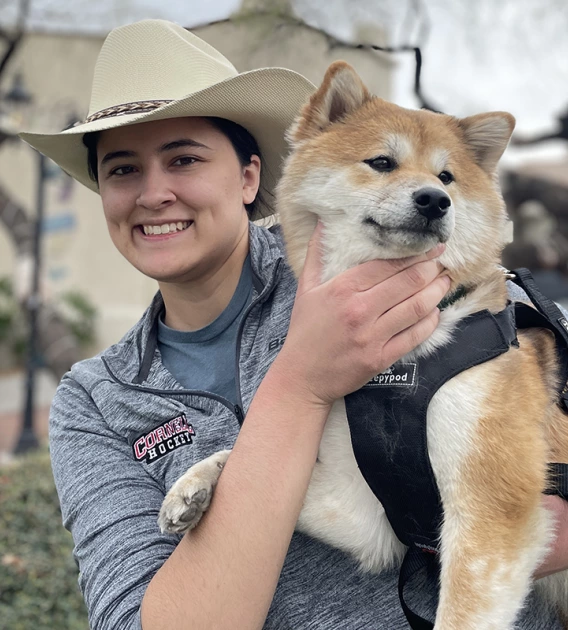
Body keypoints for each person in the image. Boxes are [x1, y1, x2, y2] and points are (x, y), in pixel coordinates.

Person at [21, 19, 568, 630]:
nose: (154, 194)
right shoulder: (96, 401)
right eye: (122, 170)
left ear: (250, 176)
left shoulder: (376, 257)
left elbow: (518, 343)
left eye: (184, 159)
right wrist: (302, 384)